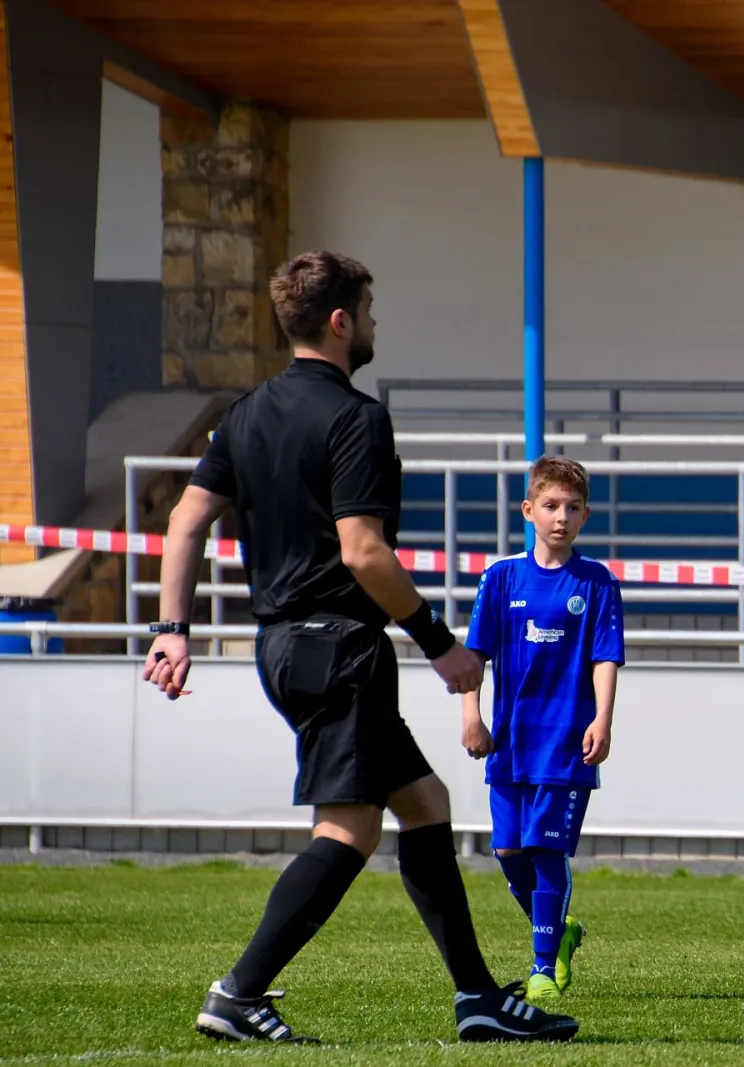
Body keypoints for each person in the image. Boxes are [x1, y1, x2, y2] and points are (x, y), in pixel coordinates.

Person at [142, 250, 577, 1045]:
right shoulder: (356, 417)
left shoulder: (245, 413)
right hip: (339, 651)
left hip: (284, 647)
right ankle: (238, 992)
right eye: (368, 311)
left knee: (425, 803)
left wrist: (172, 629)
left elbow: (185, 520)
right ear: (341, 321)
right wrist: (441, 645)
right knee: (349, 829)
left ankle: (477, 996)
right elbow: (363, 551)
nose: (374, 323)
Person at [461, 456, 625, 1000]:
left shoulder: (597, 582)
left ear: (585, 516)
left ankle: (542, 969)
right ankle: (559, 929)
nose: (562, 517)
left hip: (565, 742)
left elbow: (605, 656)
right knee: (508, 850)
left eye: (573, 508)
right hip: (510, 742)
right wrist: (471, 715)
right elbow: (475, 655)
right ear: (528, 510)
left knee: (547, 850)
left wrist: (603, 718)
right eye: (551, 506)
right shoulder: (500, 577)